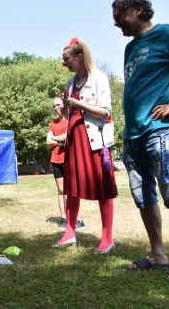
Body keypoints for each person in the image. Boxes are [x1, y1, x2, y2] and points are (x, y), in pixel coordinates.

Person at [112, 0, 169, 281]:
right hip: (134, 134)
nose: (115, 21)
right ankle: (158, 254)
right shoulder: (130, 48)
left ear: (138, 10)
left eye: (119, 14)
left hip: (163, 131)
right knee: (143, 195)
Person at [52, 38, 117, 254]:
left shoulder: (99, 78)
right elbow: (72, 115)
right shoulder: (70, 83)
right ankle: (70, 234)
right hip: (75, 142)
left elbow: (105, 112)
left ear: (80, 57)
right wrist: (65, 111)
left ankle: (107, 238)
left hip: (94, 142)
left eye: (66, 59)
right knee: (72, 189)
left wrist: (78, 104)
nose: (64, 64)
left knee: (103, 189)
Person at [46, 97, 85, 230]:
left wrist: (56, 138)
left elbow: (68, 135)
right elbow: (48, 141)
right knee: (61, 190)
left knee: (73, 190)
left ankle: (78, 219)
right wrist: (61, 140)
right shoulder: (52, 123)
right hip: (56, 159)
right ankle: (63, 218)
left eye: (58, 105)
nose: (55, 108)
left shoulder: (71, 120)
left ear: (64, 105)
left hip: (71, 158)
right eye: (54, 106)